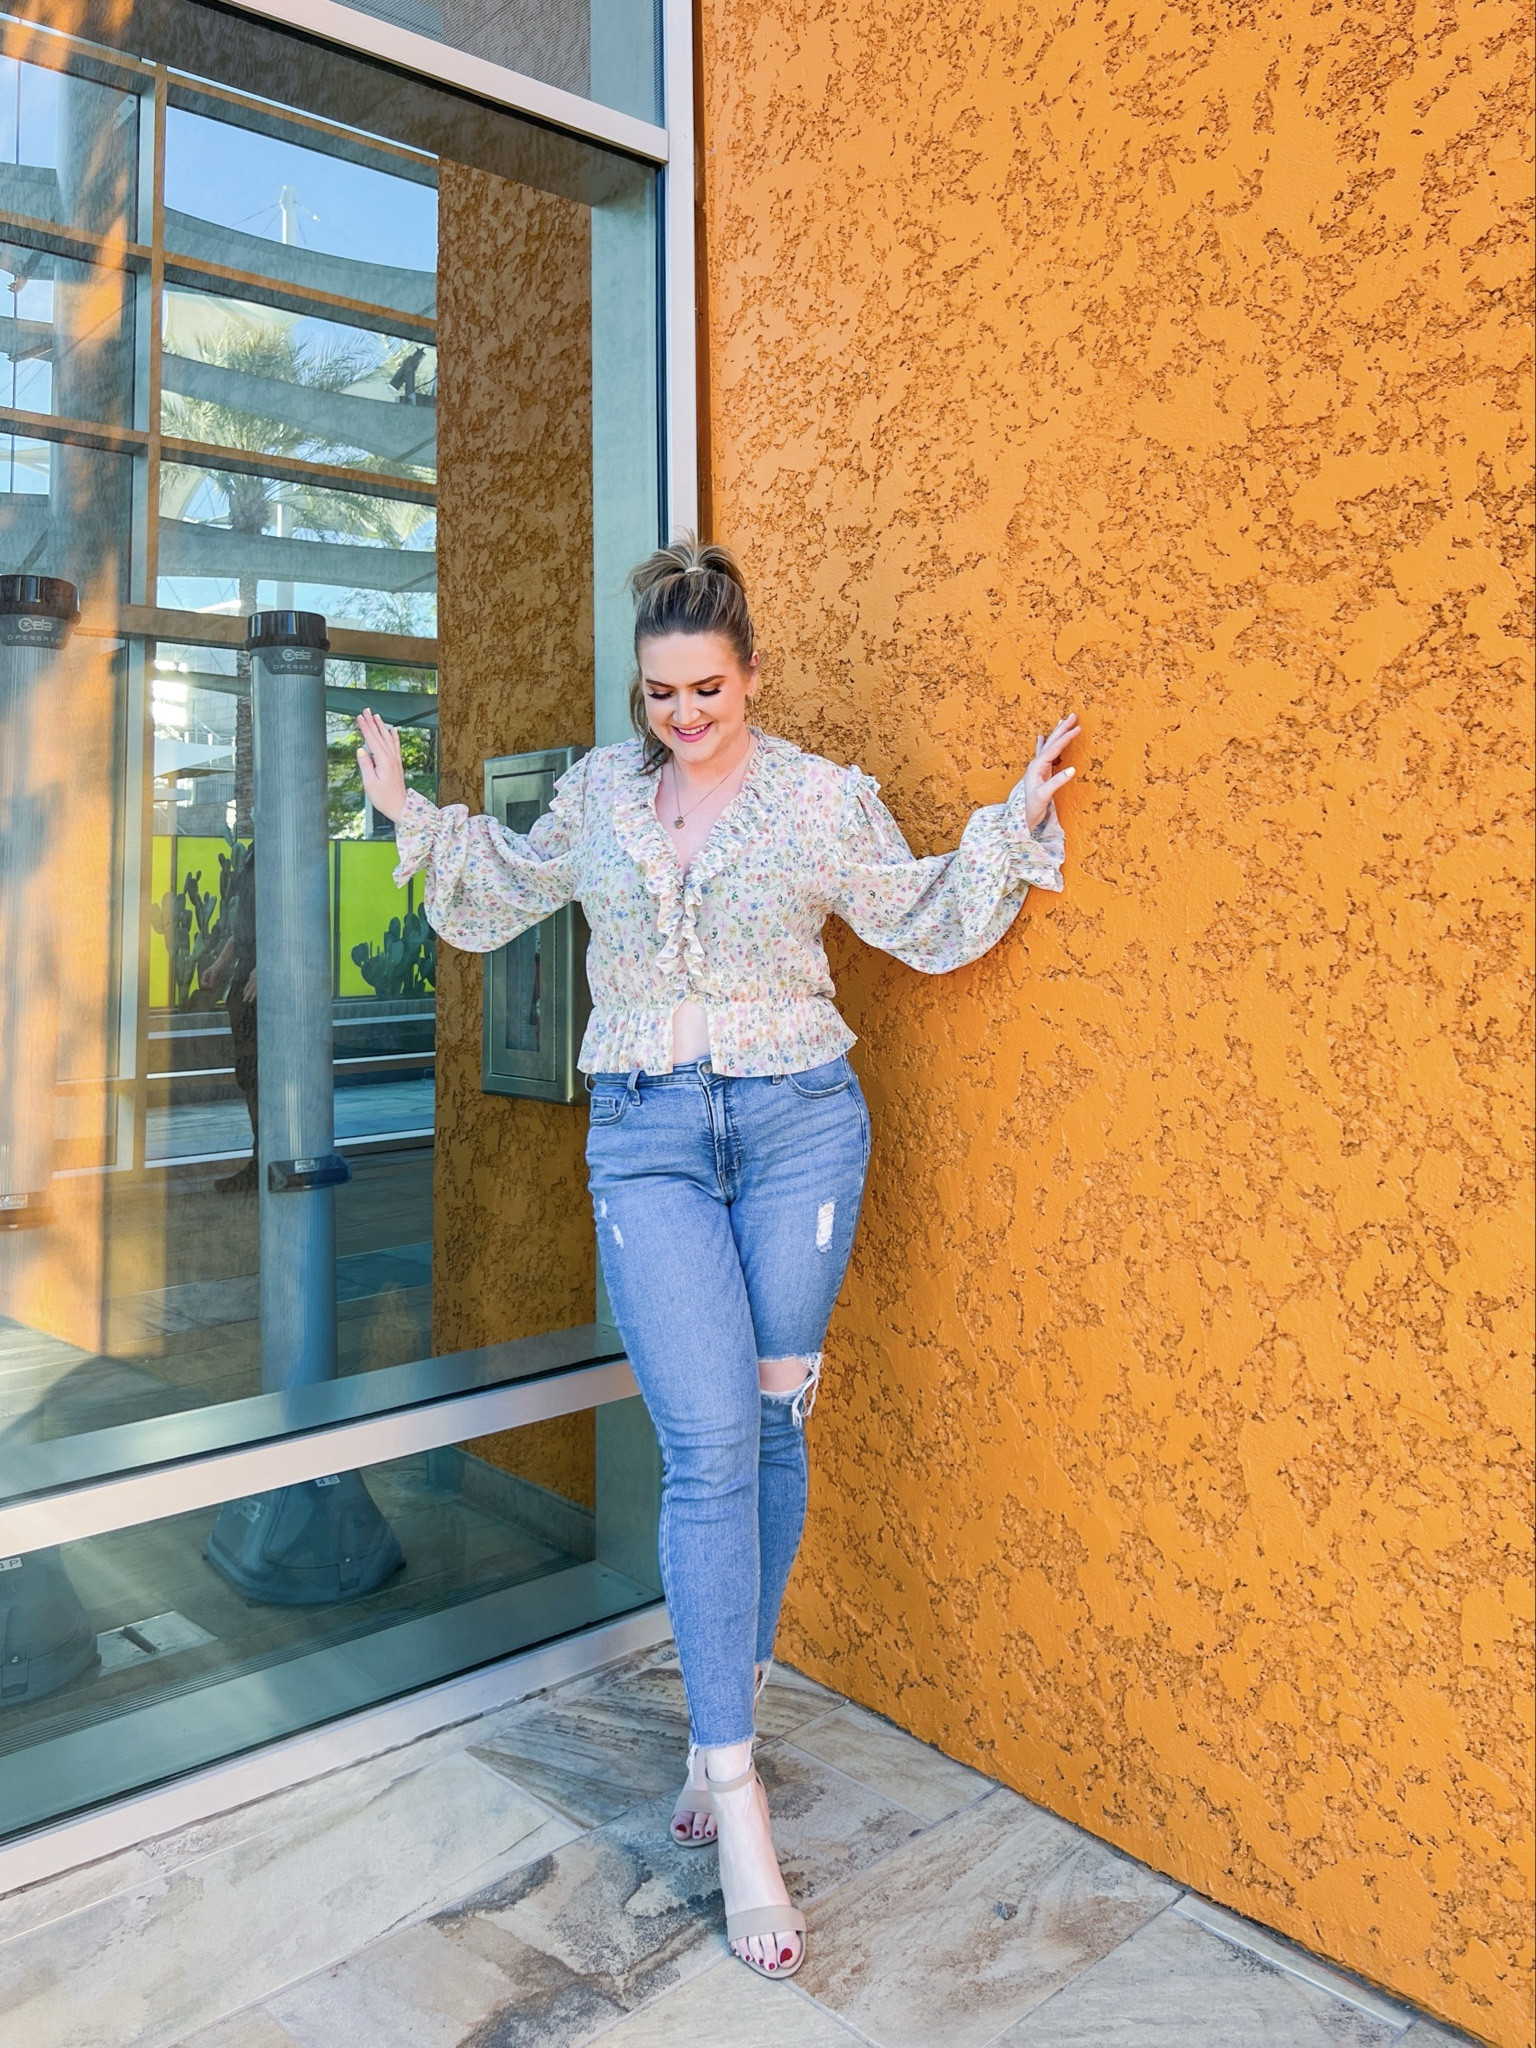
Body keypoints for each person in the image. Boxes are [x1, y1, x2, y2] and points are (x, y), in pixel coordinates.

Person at [355, 538, 1077, 1981]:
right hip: (646, 1140)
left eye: (705, 686)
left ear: (750, 673)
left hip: (801, 1128)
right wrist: (408, 816)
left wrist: (1008, 824)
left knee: (766, 1417)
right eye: (661, 691)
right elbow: (499, 889)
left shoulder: (818, 800)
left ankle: (721, 1713)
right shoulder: (602, 803)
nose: (683, 712)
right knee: (702, 1444)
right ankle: (737, 1799)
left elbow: (914, 913)